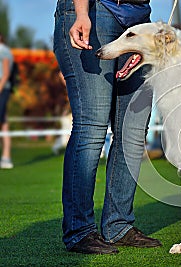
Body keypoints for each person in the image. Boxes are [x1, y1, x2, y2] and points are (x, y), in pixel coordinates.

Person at [53, 0, 161, 254]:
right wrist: (81, 12)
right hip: (93, 10)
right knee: (92, 127)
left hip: (139, 18)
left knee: (133, 133)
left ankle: (119, 225)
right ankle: (79, 231)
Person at [0, 33, 14, 169]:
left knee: (2, 122)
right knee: (3, 122)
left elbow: (5, 73)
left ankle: (6, 156)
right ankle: (5, 156)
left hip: (2, 89)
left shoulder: (3, 51)